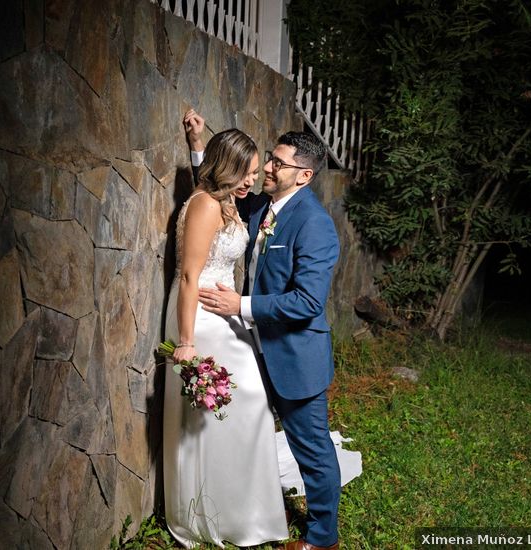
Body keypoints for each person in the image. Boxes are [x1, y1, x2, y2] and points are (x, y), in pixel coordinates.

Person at [186, 109, 343, 550]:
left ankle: (322, 540)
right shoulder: (261, 206)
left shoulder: (315, 225)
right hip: (252, 351)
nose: (268, 168)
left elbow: (309, 301)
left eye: (277, 163)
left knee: (311, 452)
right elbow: (217, 189)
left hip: (295, 357)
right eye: (270, 159)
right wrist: (198, 146)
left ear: (304, 175)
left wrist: (242, 304)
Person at [163, 128, 290, 548]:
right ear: (230, 167)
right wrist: (185, 341)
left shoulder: (225, 200)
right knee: (235, 404)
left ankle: (242, 508)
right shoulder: (205, 205)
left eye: (256, 172)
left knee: (245, 405)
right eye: (248, 172)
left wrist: (198, 144)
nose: (253, 180)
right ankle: (217, 512)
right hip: (200, 317)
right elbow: (188, 275)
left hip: (224, 314)